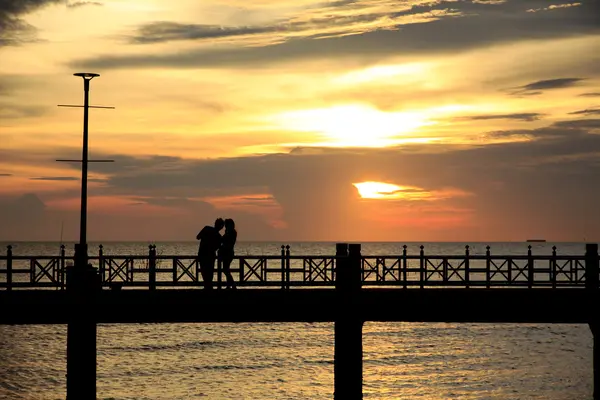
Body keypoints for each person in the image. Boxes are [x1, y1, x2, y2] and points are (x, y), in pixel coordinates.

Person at [196, 218, 224, 290]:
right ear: (221, 227)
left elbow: (198, 237)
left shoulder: (206, 228)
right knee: (210, 272)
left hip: (202, 254)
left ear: (215, 223)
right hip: (211, 255)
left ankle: (207, 287)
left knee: (204, 272)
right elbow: (218, 247)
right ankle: (209, 288)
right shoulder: (219, 237)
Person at [218, 218, 237, 289]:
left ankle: (232, 284)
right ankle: (229, 285)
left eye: (226, 225)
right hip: (226, 252)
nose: (225, 226)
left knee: (225, 269)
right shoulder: (228, 231)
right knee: (226, 269)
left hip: (228, 253)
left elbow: (227, 241)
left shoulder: (232, 232)